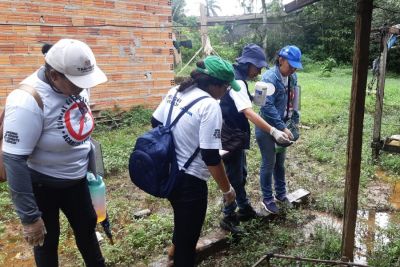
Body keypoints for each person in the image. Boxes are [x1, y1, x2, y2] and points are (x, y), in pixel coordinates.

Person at [2, 39, 108, 266]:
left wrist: (91, 168)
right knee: (47, 244)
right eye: (76, 83)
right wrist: (30, 217)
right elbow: (13, 159)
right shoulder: (26, 101)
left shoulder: (77, 82)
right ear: (54, 75)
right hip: (42, 186)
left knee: (87, 230)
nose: (82, 87)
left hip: (77, 181)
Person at [152, 55, 238, 267]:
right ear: (215, 85)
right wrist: (227, 190)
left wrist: (180, 143)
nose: (227, 92)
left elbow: (156, 122)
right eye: (227, 87)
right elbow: (210, 156)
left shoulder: (177, 91)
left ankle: (174, 249)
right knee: (187, 246)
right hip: (190, 183)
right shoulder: (209, 106)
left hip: (169, 171)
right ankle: (180, 255)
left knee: (183, 220)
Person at [219, 44, 290, 233]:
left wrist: (253, 96)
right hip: (230, 134)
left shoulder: (237, 77)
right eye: (257, 67)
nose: (259, 71)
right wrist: (273, 130)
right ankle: (228, 215)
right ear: (249, 64)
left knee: (240, 173)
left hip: (233, 132)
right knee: (234, 176)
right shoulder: (238, 81)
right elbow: (249, 113)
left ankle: (244, 208)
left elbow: (237, 101)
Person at [256, 45, 303, 214]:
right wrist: (281, 127)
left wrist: (294, 121)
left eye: (296, 66)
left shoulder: (293, 77)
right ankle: (267, 199)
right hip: (267, 128)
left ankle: (281, 194)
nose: (293, 69)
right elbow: (264, 105)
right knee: (268, 163)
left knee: (280, 164)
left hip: (284, 127)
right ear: (281, 60)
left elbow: (295, 99)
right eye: (291, 65)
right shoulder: (267, 79)